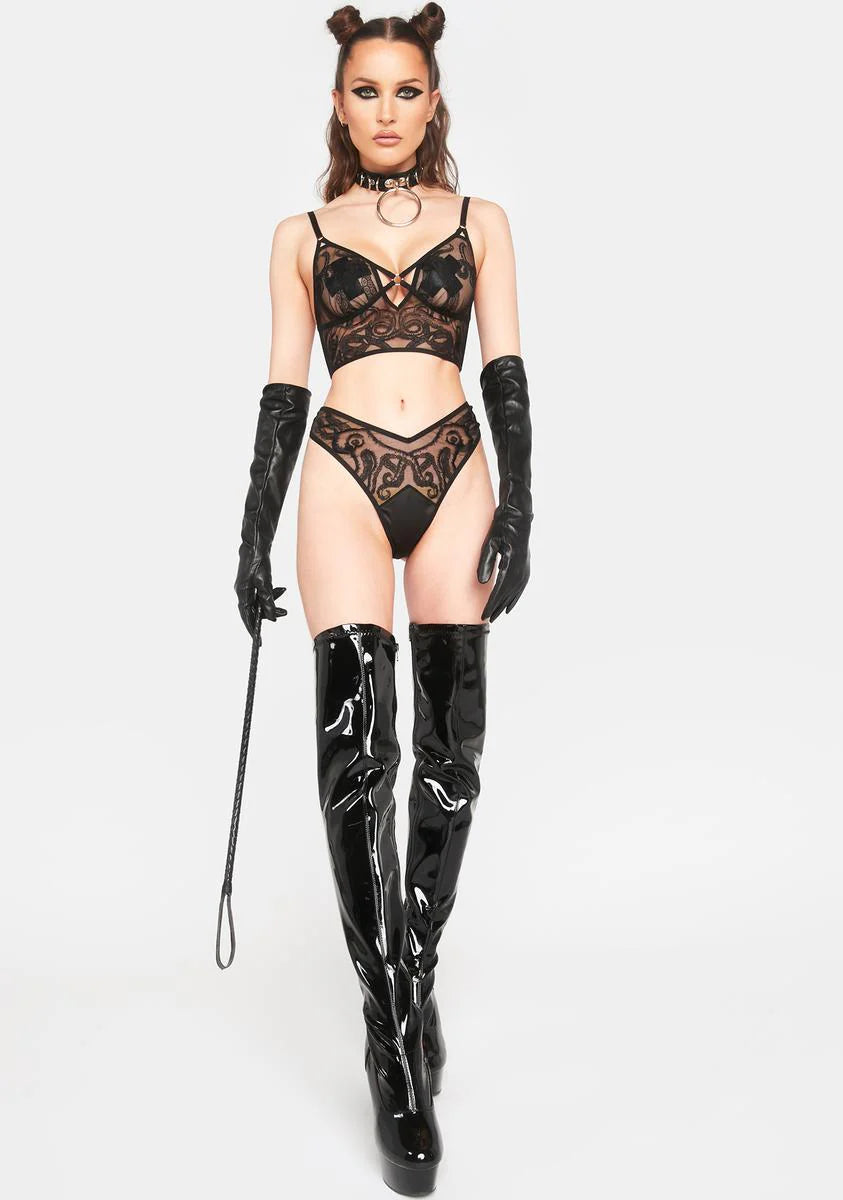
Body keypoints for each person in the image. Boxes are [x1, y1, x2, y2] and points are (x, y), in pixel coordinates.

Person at [233, 4, 533, 1194]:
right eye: (368, 91)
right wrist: (251, 530)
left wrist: (523, 502)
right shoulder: (301, 234)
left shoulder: (482, 221)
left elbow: (504, 367)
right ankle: (391, 1036)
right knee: (355, 761)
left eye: (408, 90)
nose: (389, 111)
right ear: (339, 103)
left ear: (434, 100)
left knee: (451, 757)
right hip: (341, 475)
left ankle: (414, 975)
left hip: (456, 469)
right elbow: (280, 388)